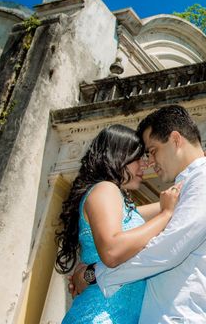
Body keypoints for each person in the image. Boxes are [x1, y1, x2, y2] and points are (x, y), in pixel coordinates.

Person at [73, 104, 206, 324]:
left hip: (183, 317)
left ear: (175, 139)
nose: (149, 163)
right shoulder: (192, 185)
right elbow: (135, 222)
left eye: (152, 151)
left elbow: (169, 247)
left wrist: (94, 275)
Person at [56, 124, 182, 324]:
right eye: (137, 158)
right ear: (117, 156)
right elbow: (112, 251)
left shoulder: (123, 206)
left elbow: (177, 200)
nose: (144, 164)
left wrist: (202, 164)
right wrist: (165, 215)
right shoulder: (105, 189)